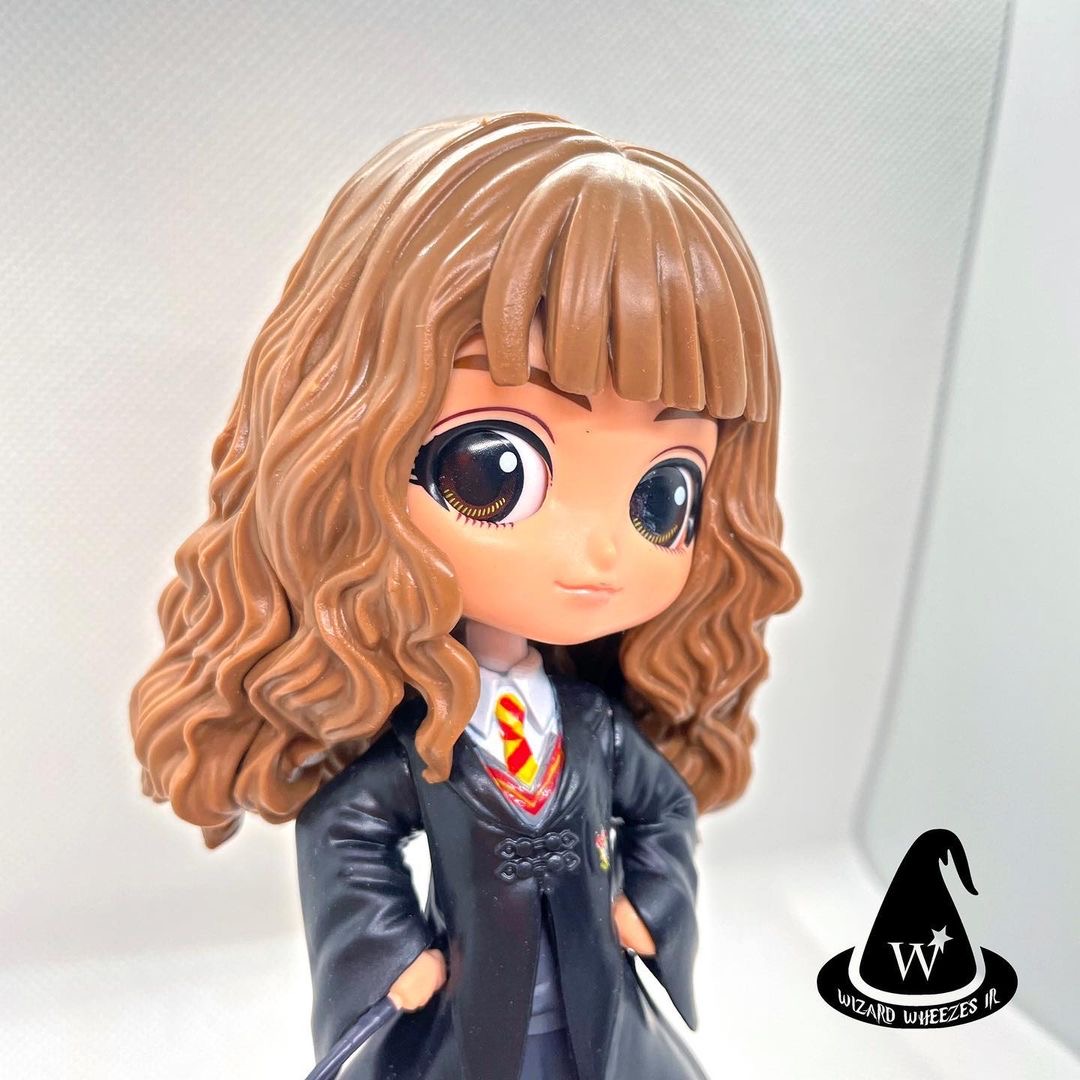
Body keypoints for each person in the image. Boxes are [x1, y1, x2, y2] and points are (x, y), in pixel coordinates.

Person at [130, 113, 801, 1080]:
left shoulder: (595, 729)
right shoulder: (423, 748)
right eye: (493, 469)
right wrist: (392, 951)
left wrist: (649, 903)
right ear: (352, 452)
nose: (601, 549)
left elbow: (663, 808)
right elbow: (343, 828)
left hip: (599, 1010)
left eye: (663, 496)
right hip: (475, 1017)